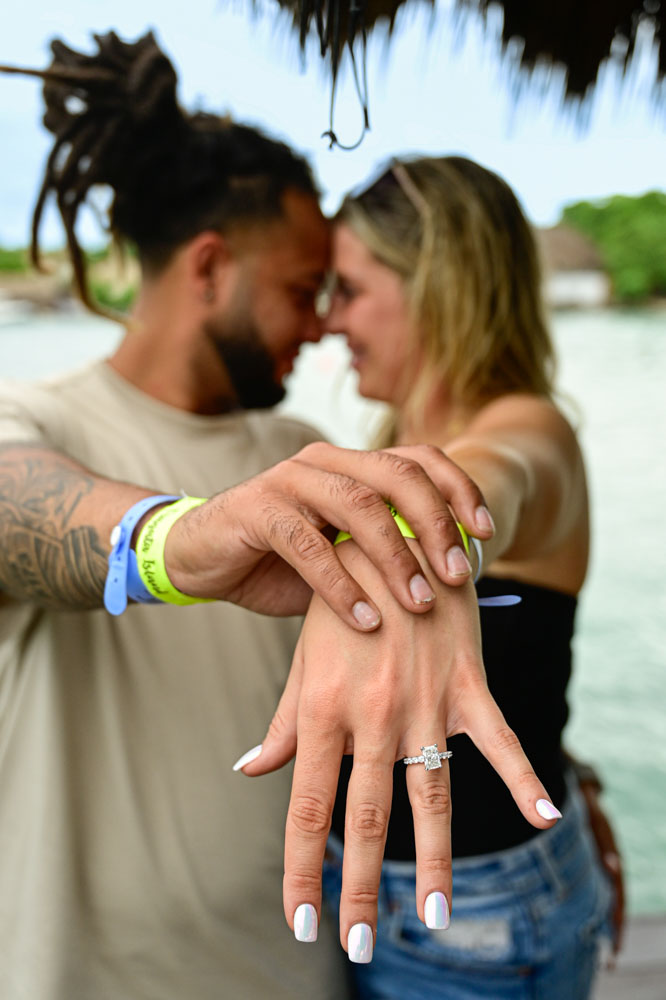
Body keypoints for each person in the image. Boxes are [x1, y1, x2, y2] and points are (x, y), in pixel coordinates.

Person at [0, 34, 556, 1000]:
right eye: (306, 290)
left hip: (311, 965)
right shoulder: (37, 420)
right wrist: (183, 541)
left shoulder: (299, 446)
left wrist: (556, 764)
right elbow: (18, 511)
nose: (322, 325)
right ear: (210, 269)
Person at [243, 156, 617, 994]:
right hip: (387, 888)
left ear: (438, 287)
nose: (331, 321)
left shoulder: (529, 430)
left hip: (475, 913)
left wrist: (402, 547)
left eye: (350, 288)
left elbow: (493, 482)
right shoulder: (389, 444)